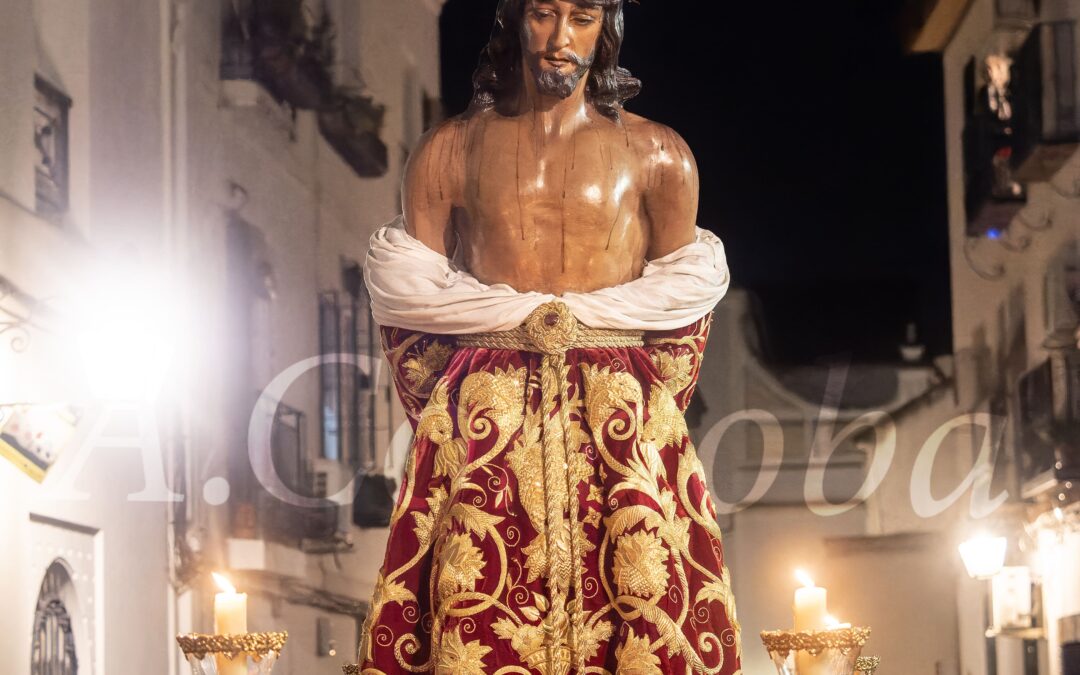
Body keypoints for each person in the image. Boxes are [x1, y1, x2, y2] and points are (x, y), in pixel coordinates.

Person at [357, 0, 742, 672]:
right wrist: (464, 418)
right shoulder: (449, 151)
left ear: (607, 28)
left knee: (639, 600)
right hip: (486, 434)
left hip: (620, 434)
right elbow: (415, 321)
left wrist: (634, 415)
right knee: (471, 603)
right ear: (515, 18)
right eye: (543, 13)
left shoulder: (660, 156)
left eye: (582, 16)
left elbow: (679, 329)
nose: (560, 38)